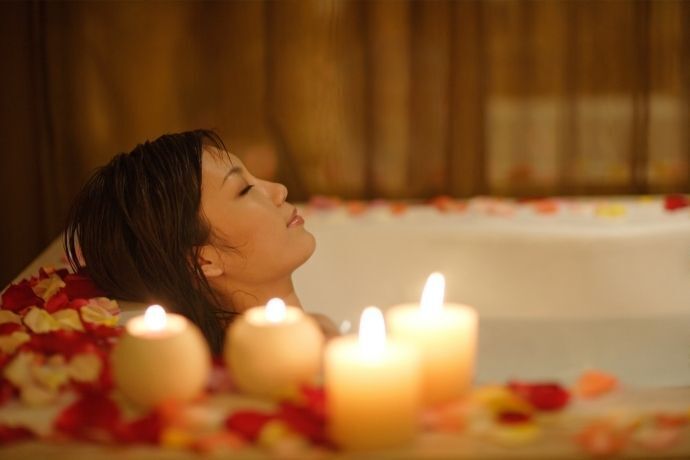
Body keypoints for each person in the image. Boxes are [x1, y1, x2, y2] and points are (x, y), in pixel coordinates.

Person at [64, 129, 336, 354]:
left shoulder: (313, 338)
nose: (279, 191)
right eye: (245, 189)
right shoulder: (269, 369)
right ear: (203, 260)